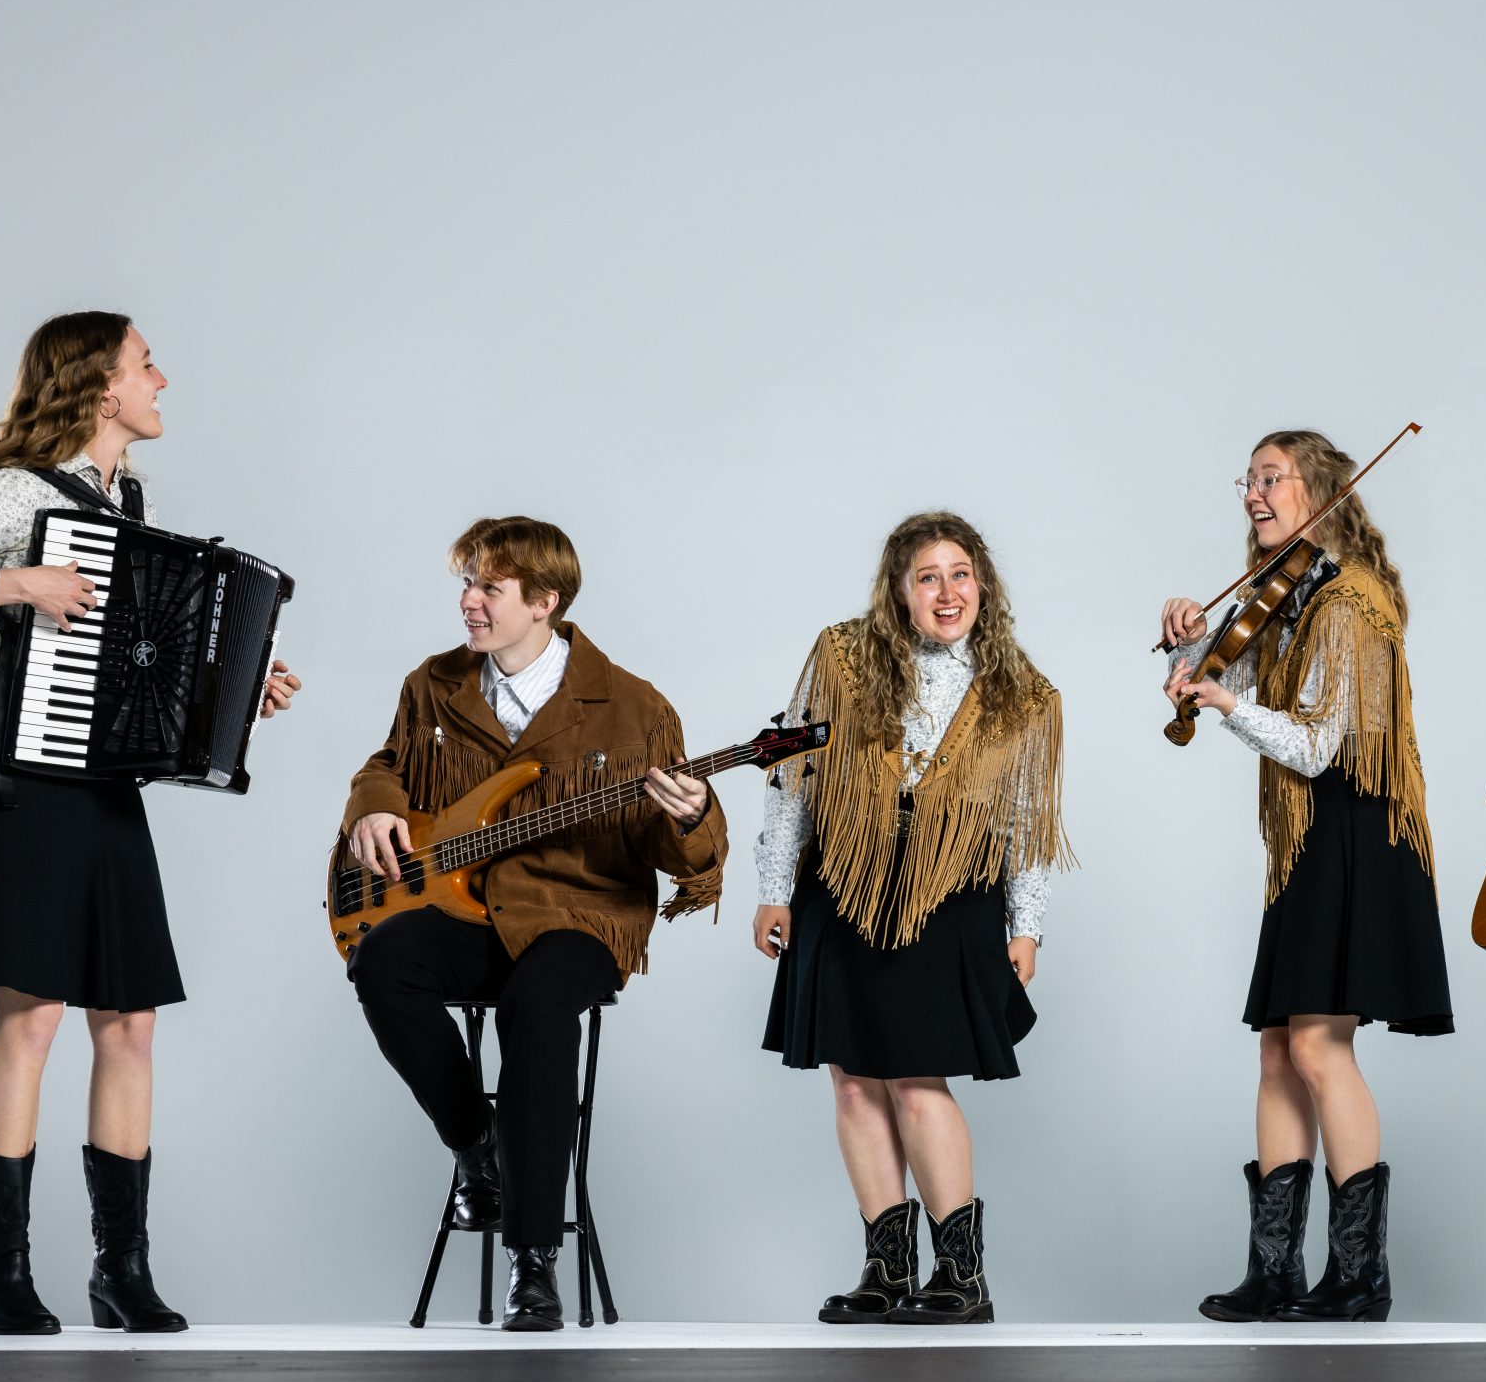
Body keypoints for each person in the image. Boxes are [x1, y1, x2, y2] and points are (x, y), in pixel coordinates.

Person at [0, 311, 300, 1335]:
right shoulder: (17, 490)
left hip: (95, 769)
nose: (162, 379)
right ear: (103, 385)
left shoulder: (123, 497)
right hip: (15, 762)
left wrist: (230, 689)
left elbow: (120, 654)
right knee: (34, 1012)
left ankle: (122, 1273)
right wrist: (13, 581)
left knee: (130, 1020)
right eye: (147, 364)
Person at [344, 516, 723, 1332]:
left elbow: (686, 856)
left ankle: (533, 1258)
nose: (469, 602)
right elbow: (387, 765)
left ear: (545, 601)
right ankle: (476, 1149)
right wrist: (372, 808)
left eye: (489, 587)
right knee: (382, 962)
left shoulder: (631, 704)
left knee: (538, 1003)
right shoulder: (434, 683)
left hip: (580, 912)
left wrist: (691, 815)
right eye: (469, 582)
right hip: (467, 909)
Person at [1161, 430, 1451, 1324]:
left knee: (1321, 1048)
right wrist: (1200, 646)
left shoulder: (1350, 602)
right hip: (1309, 839)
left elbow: (1319, 742)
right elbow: (1234, 680)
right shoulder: (1287, 597)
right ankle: (1275, 1271)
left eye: (1271, 478)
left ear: (1321, 491)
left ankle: (1361, 1275)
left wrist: (1226, 701)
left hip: (1355, 831)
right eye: (1246, 480)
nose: (1253, 493)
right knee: (1277, 1048)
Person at [755, 512, 1069, 1325]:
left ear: (983, 585)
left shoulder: (1022, 694)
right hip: (845, 879)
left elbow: (1027, 821)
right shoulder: (843, 655)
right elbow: (793, 776)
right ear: (898, 589)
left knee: (917, 1079)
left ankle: (961, 1278)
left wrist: (1025, 927)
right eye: (927, 575)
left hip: (951, 888)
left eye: (961, 573)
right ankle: (886, 1271)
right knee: (855, 1081)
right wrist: (773, 886)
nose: (947, 590)